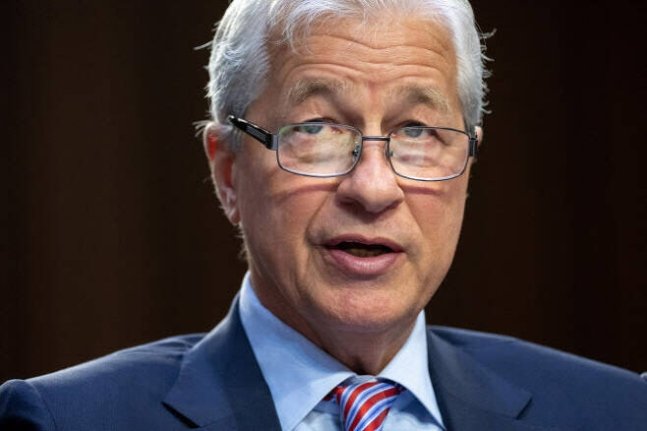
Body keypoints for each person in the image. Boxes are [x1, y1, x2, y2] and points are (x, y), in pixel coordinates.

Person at [1, 0, 646, 429]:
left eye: (417, 132)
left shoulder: (617, 413)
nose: (373, 188)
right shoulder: (70, 420)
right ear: (228, 172)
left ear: (468, 165)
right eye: (315, 129)